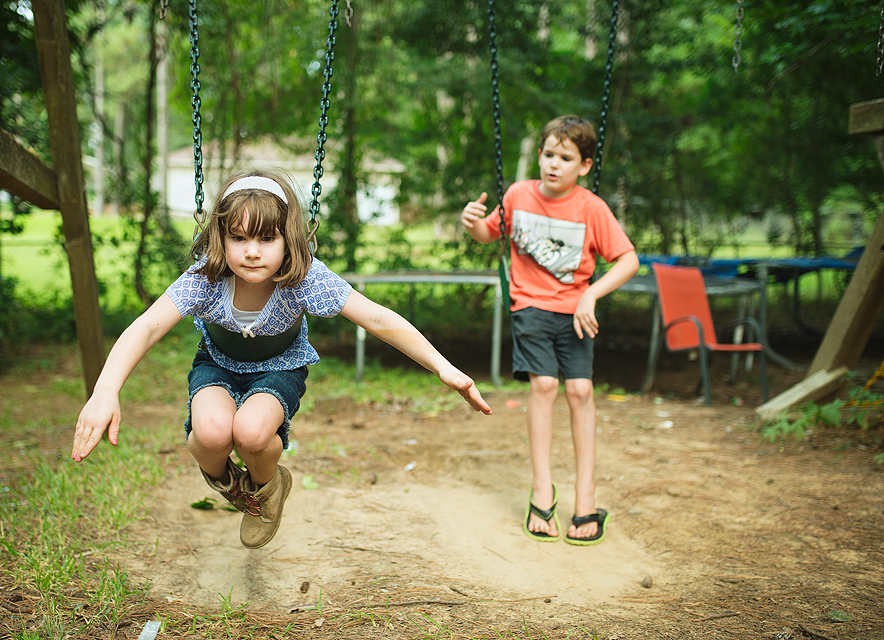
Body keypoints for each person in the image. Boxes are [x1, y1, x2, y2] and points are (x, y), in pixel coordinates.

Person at [73, 169, 492, 549]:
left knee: (252, 433)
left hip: (281, 365)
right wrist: (106, 390)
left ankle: (266, 487)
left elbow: (378, 318)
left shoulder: (306, 278)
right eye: (238, 238)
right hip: (218, 363)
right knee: (213, 434)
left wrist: (443, 366)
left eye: (266, 238)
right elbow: (146, 327)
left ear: (287, 239)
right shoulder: (206, 278)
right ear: (221, 238)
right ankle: (228, 483)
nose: (252, 252)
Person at [461, 115, 638, 545]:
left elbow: (628, 260)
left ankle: (586, 497)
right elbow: (490, 233)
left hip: (576, 309)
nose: (553, 164)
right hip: (531, 307)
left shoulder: (591, 208)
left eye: (565, 157)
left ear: (584, 165)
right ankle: (542, 490)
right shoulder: (519, 194)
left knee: (580, 391)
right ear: (539, 155)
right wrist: (473, 224)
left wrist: (591, 295)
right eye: (548, 155)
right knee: (543, 386)